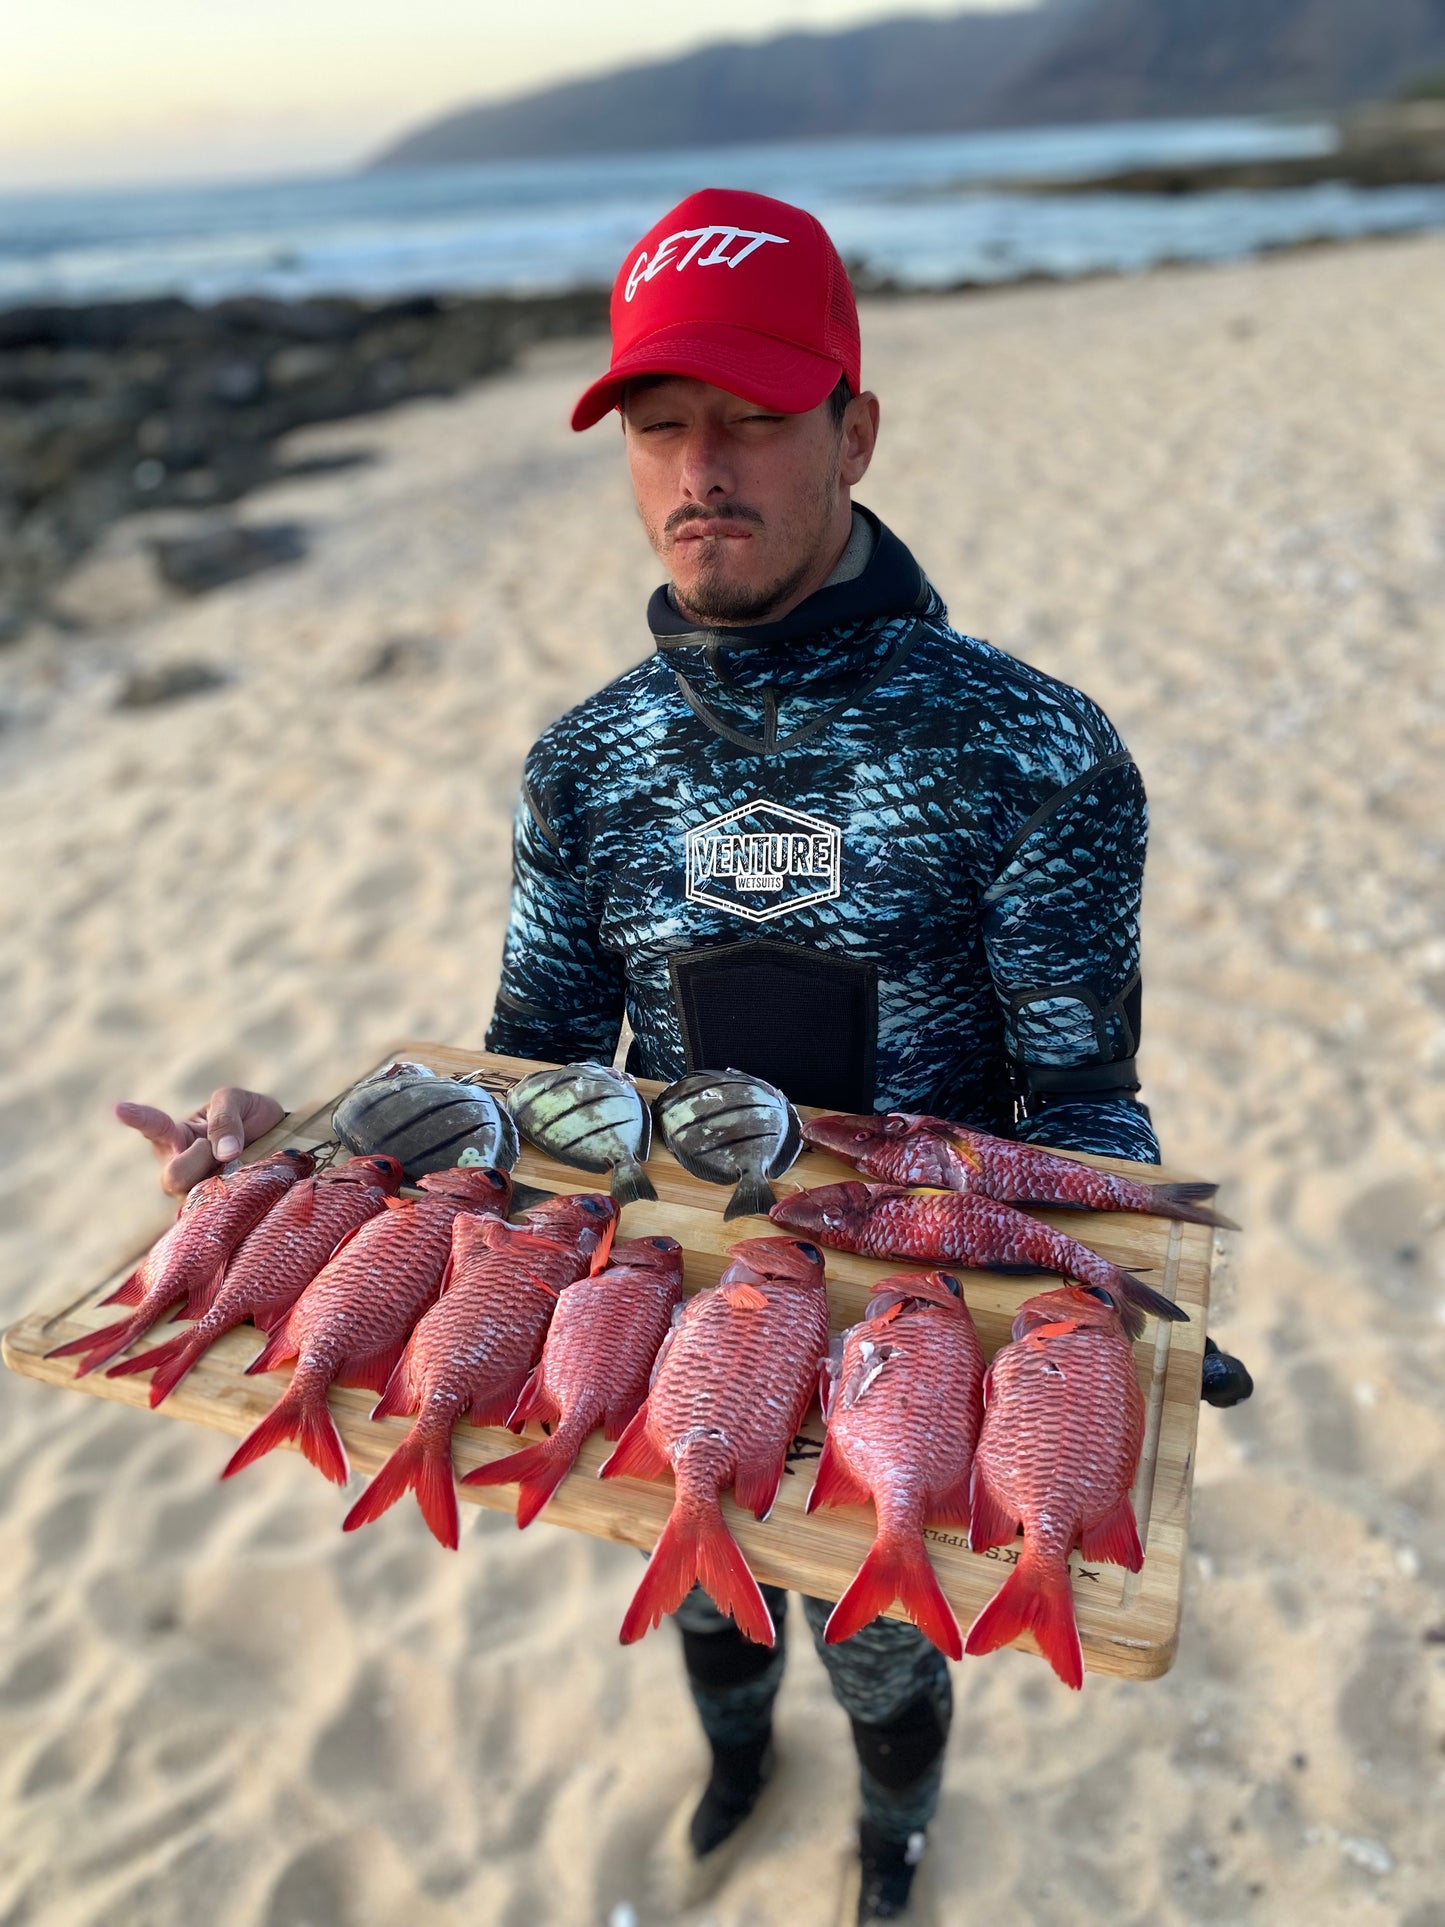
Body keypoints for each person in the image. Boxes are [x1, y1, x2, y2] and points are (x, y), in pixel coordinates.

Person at [120, 189, 1164, 1923]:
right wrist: (295, 1160)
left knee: (886, 1637)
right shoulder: (586, 761)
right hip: (669, 1290)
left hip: (921, 1309)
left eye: (756, 417)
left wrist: (1120, 1281)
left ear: (854, 429)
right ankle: (735, 1754)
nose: (704, 467)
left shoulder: (1031, 749)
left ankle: (891, 1831)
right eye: (660, 425)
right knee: (697, 1577)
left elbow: (1078, 1103)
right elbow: (527, 1078)